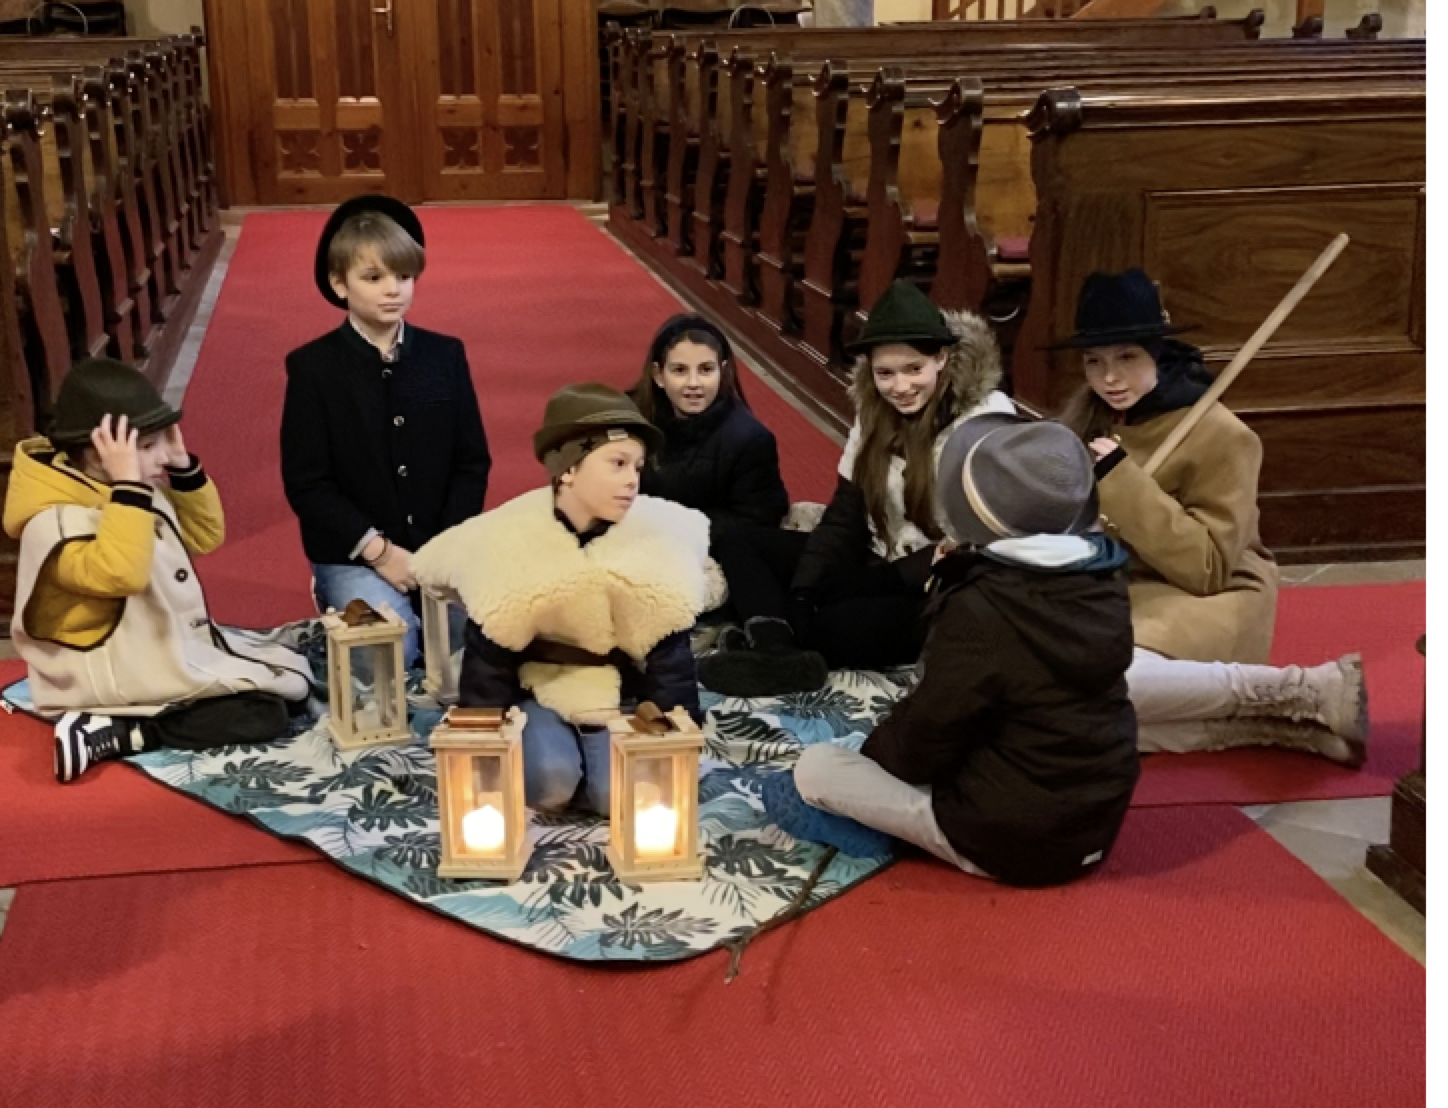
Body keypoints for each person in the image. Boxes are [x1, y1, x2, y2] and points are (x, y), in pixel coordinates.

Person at [767, 414, 1140, 886]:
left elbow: (925, 738)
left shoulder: (985, 607)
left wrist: (868, 763)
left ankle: (888, 831)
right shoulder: (1104, 573)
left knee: (815, 769)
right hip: (1098, 822)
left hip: (1012, 841)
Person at [1058, 269, 1367, 764]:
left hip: (1208, 594)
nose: (1109, 378)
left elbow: (1207, 567)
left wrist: (1122, 484)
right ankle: (1280, 726)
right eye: (1094, 362)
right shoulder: (1094, 418)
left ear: (1157, 353)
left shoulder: (1223, 434)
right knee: (1049, 712)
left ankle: (1294, 690)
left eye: (1126, 358)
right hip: (1119, 590)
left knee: (1100, 687)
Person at [698, 279, 1014, 697]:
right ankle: (778, 645)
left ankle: (775, 634)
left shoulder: (986, 420)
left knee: (835, 621)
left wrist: (843, 591)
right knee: (738, 541)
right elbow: (846, 513)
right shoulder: (873, 411)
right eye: (885, 373)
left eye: (913, 369)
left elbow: (991, 537)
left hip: (939, 588)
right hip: (876, 559)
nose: (900, 387)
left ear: (941, 358)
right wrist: (803, 590)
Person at [5, 358, 314, 783]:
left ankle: (134, 720)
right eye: (149, 446)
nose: (161, 457)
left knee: (292, 684)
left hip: (148, 645)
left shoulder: (126, 490)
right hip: (104, 670)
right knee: (263, 713)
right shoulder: (56, 521)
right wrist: (129, 487)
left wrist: (182, 466)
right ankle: (124, 729)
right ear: (101, 455)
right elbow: (120, 574)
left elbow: (204, 537)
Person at [413, 383, 709, 815]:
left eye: (638, 467)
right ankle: (564, 761)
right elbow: (489, 661)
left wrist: (678, 740)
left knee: (623, 799)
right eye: (617, 463)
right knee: (550, 785)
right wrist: (481, 750)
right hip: (539, 691)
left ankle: (597, 769)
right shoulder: (510, 538)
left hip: (621, 696)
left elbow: (670, 661)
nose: (632, 480)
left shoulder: (656, 538)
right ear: (567, 469)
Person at [281, 195, 490, 667]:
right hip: (356, 553)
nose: (393, 290)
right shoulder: (313, 368)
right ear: (340, 284)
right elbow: (307, 484)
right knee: (389, 657)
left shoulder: (445, 355)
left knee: (481, 653)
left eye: (403, 276)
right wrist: (378, 551)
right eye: (373, 278)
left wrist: (444, 549)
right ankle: (333, 591)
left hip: (442, 547)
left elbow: (471, 461)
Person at [632, 313, 789, 534]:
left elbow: (758, 519)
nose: (693, 383)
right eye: (679, 370)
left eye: (706, 369)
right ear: (658, 375)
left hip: (708, 552)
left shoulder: (750, 440)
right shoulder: (630, 419)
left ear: (722, 372)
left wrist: (674, 526)